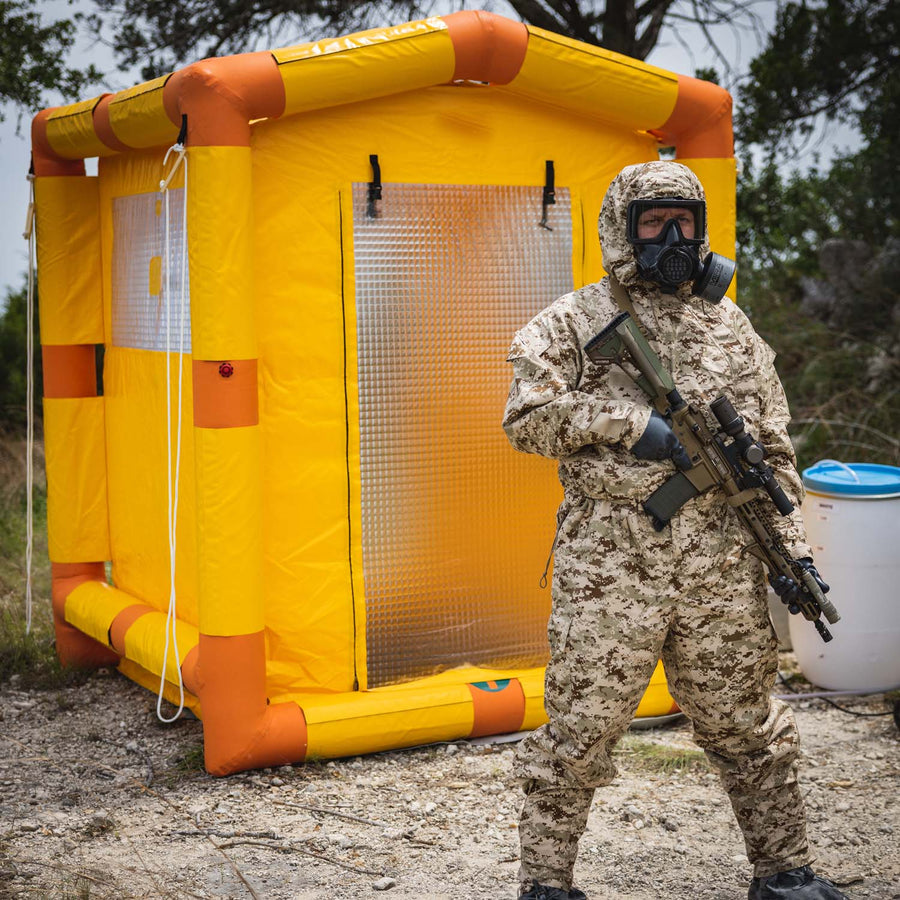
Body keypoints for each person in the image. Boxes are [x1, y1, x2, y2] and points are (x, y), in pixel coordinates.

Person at [501, 161, 847, 900]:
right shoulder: (572, 320)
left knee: (747, 727)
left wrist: (789, 547)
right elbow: (525, 419)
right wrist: (632, 426)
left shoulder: (730, 323)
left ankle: (784, 873)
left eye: (683, 222)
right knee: (580, 731)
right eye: (653, 222)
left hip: (721, 563)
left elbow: (774, 450)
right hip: (611, 565)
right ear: (623, 230)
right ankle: (546, 883)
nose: (671, 237)